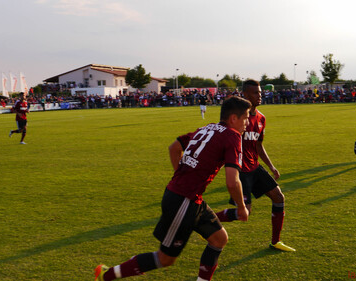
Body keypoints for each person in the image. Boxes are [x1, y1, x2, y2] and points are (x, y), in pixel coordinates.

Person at [95, 96, 252, 281]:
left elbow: (174, 148)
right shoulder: (233, 136)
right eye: (246, 117)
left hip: (190, 199)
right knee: (165, 258)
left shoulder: (207, 127)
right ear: (233, 118)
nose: (247, 123)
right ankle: (106, 274)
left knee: (219, 238)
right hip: (183, 200)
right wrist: (241, 207)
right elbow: (232, 182)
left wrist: (182, 174)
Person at [212, 80, 294, 252]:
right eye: (255, 93)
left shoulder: (261, 118)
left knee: (279, 198)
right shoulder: (237, 118)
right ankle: (205, 220)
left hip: (255, 167)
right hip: (240, 170)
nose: (260, 95)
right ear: (246, 95)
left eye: (260, 92)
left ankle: (275, 241)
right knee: (244, 213)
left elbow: (258, 145)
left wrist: (271, 166)